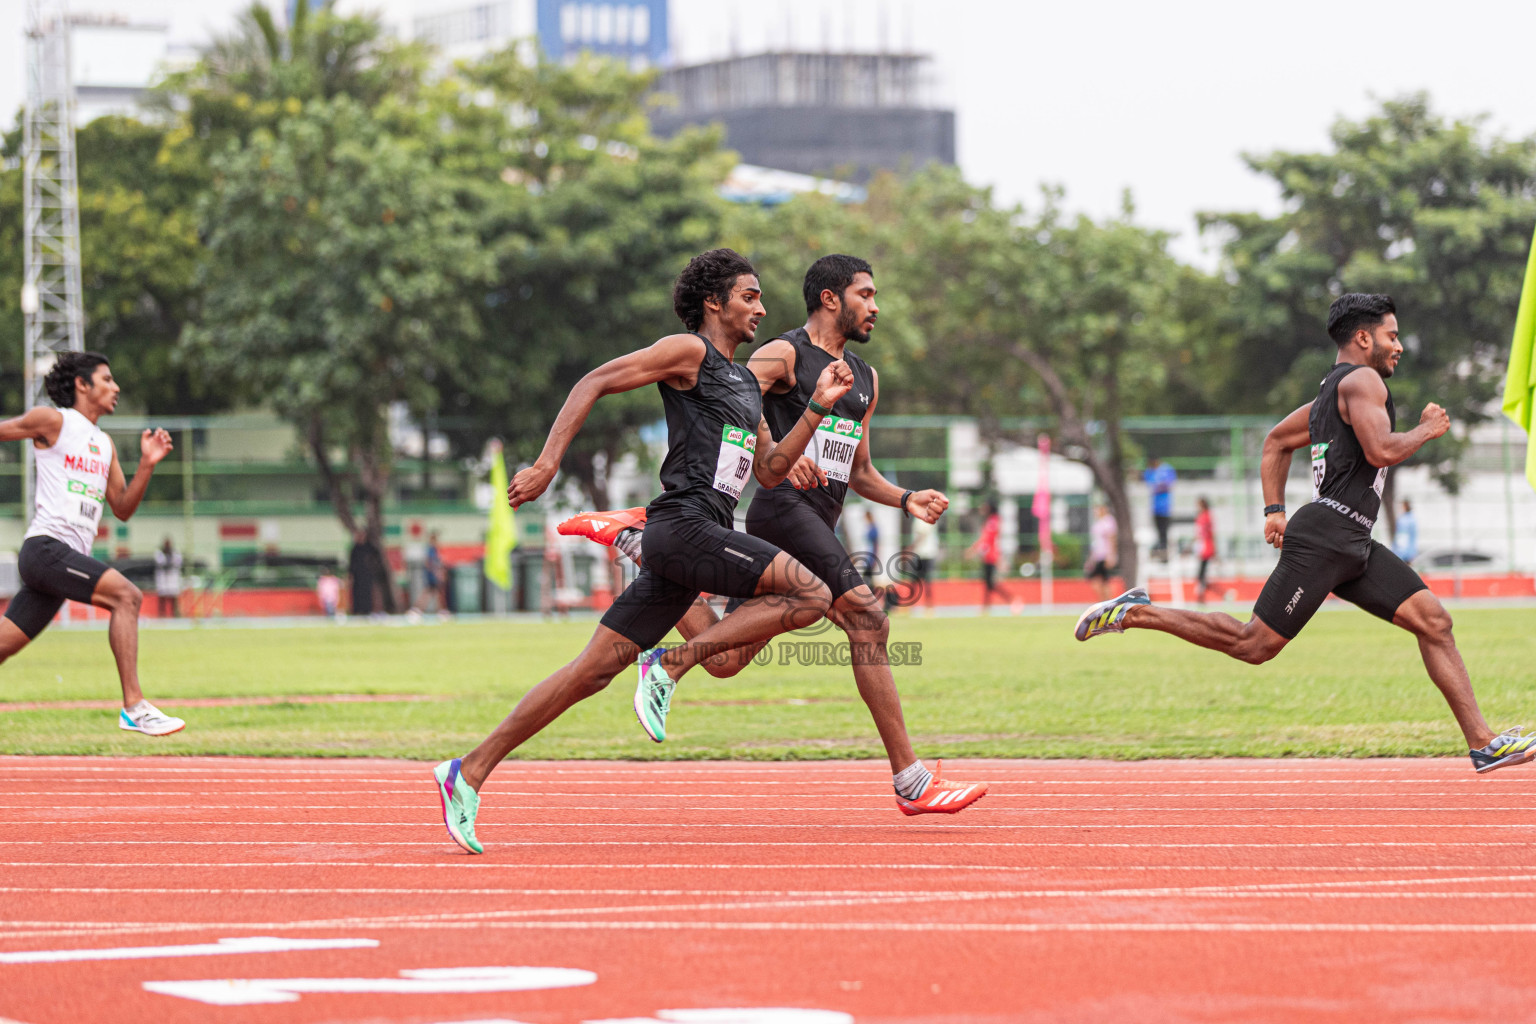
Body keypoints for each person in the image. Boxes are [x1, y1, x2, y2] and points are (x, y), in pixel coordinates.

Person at [432, 248, 864, 855]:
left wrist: (816, 408)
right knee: (811, 592)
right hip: (685, 525)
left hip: (697, 534)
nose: (762, 309)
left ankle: (467, 772)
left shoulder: (744, 382)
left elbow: (768, 469)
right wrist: (548, 463)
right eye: (749, 296)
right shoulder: (689, 353)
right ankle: (665, 663)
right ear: (714, 303)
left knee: (591, 672)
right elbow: (596, 380)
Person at [557, 254, 986, 816]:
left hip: (817, 517)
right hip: (782, 510)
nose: (875, 307)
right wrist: (776, 453)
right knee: (868, 618)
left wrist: (906, 498)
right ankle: (911, 781)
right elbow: (730, 398)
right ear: (831, 298)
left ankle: (642, 543)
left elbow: (857, 473)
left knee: (726, 661)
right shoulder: (783, 353)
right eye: (866, 295)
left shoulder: (863, 379)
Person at [1075, 293, 1535, 774]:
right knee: (1253, 645)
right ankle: (1135, 612)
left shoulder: (1329, 396)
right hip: (1326, 536)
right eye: (1392, 335)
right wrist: (1425, 429)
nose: (1398, 346)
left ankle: (1483, 743)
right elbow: (1380, 451)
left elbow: (1275, 441)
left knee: (1434, 622)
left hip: (1351, 539)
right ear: (1363, 338)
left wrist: (1275, 510)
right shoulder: (1363, 381)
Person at [0, 351, 184, 736]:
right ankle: (134, 707)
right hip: (46, 549)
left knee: (5, 644)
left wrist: (148, 464)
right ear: (82, 385)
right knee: (127, 596)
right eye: (107, 380)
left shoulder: (105, 445)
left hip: (59, 561)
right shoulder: (53, 421)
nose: (116, 387)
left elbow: (122, 508)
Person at [968, 500, 1011, 612]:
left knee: (990, 583)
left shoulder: (993, 521)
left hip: (992, 556)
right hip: (988, 556)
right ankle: (986, 606)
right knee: (988, 583)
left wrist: (973, 550)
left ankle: (1011, 600)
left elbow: (986, 539)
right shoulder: (990, 521)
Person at [1143, 456, 1177, 561]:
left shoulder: (1167, 469)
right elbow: (1151, 485)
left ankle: (1164, 556)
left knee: (1164, 532)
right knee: (1158, 532)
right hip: (1155, 508)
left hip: (1165, 508)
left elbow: (1168, 485)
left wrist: (1159, 486)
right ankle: (1160, 553)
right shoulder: (1149, 471)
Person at [1084, 504, 1117, 601]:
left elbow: (1112, 539)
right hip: (1097, 556)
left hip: (1104, 555)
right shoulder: (1098, 523)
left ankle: (1109, 603)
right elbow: (1095, 542)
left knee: (1104, 582)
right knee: (1098, 581)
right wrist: (1091, 558)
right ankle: (1104, 602)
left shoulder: (1109, 521)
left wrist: (1111, 555)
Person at [1194, 497, 1218, 604]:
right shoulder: (1203, 517)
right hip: (1202, 546)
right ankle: (1201, 592)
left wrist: (1213, 548)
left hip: (1205, 546)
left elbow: (1209, 533)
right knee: (1201, 571)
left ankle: (1201, 594)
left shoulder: (1206, 517)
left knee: (1202, 572)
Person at [153, 536, 182, 618]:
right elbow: (160, 563)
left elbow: (177, 562)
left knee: (173, 595)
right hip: (163, 577)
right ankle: (161, 613)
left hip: (172, 576)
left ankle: (175, 613)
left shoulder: (175, 552)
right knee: (162, 595)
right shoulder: (159, 553)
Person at [1394, 498, 1418, 564]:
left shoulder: (1407, 520)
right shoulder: (1405, 518)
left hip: (1404, 553)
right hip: (1403, 552)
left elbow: (1406, 537)